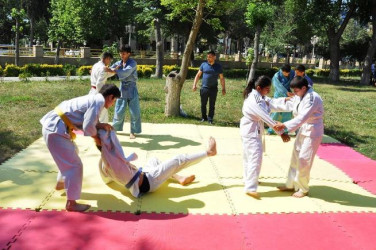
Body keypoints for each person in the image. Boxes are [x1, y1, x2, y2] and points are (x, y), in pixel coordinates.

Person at [40, 84, 121, 212]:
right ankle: (71, 203)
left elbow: (88, 120)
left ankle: (61, 183)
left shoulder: (94, 98)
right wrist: (96, 139)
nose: (112, 104)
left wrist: (99, 125)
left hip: (54, 125)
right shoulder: (99, 101)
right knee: (75, 165)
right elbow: (88, 126)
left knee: (73, 153)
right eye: (114, 101)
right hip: (55, 129)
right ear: (110, 97)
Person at [97, 129, 217, 198]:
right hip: (150, 180)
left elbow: (106, 180)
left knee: (154, 160)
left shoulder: (103, 163)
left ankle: (179, 177)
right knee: (178, 160)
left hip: (145, 174)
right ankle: (209, 152)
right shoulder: (117, 164)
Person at [272, 76, 324, 198]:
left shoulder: (313, 98)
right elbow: (289, 105)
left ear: (304, 88)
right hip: (303, 129)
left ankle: (303, 188)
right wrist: (267, 105)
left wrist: (284, 125)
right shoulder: (300, 95)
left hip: (313, 131)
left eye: (296, 91)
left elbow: (302, 117)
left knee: (304, 160)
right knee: (295, 158)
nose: (294, 94)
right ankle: (290, 184)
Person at [240, 76, 290, 199]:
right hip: (251, 131)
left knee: (249, 157)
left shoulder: (259, 96)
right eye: (267, 89)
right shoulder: (254, 100)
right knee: (255, 158)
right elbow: (265, 116)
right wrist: (281, 132)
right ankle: (250, 188)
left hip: (250, 129)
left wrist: (286, 100)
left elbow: (272, 102)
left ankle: (248, 180)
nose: (269, 91)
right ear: (259, 88)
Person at [110, 45, 141, 139]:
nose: (121, 55)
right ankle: (115, 129)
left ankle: (133, 132)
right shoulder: (119, 63)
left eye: (123, 53)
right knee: (119, 110)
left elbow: (125, 72)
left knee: (134, 111)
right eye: (120, 53)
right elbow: (110, 68)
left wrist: (115, 70)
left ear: (128, 53)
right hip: (122, 88)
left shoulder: (133, 63)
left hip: (132, 87)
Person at [192, 50, 226, 124]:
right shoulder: (203, 65)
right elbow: (198, 75)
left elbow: (222, 78)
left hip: (213, 89)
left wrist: (223, 88)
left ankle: (210, 119)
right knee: (203, 104)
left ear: (214, 57)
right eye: (207, 57)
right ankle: (204, 118)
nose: (208, 58)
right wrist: (194, 84)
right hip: (204, 88)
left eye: (210, 57)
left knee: (212, 105)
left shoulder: (218, 66)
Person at [89, 52, 119, 123]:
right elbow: (99, 83)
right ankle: (103, 131)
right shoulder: (103, 68)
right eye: (110, 60)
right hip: (98, 91)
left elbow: (106, 74)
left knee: (93, 112)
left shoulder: (96, 65)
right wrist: (102, 95)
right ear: (107, 58)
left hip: (92, 91)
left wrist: (114, 71)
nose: (109, 62)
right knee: (103, 114)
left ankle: (92, 128)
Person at [267, 64, 295, 134]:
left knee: (288, 111)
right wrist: (286, 93)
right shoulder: (276, 76)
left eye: (288, 73)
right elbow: (278, 87)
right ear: (282, 71)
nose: (287, 74)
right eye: (285, 73)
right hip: (279, 95)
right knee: (275, 112)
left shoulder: (292, 73)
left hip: (289, 94)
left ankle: (285, 130)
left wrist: (293, 92)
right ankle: (271, 129)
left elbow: (295, 82)